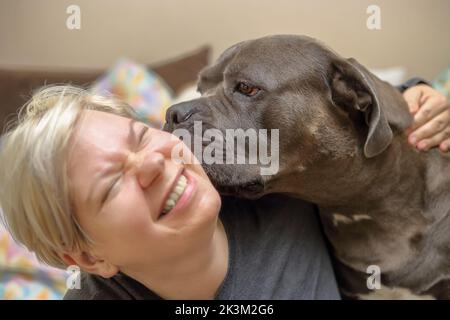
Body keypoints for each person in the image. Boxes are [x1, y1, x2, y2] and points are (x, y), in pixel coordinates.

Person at [0, 82, 448, 300]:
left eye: (140, 136)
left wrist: (416, 96)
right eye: (112, 183)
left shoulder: (249, 170)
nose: (156, 162)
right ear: (89, 258)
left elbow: (333, 116)